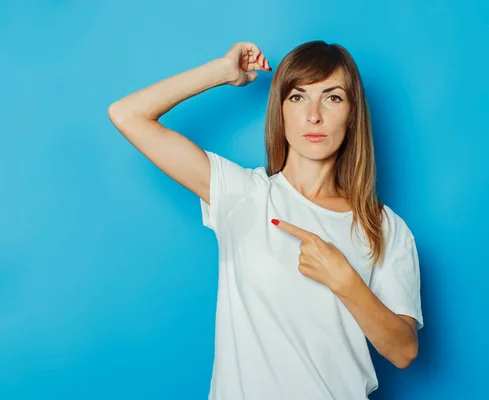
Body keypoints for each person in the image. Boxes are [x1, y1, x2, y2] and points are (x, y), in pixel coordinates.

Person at [108, 40, 424, 400]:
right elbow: (127, 114)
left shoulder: (384, 227)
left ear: (352, 113)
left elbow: (403, 351)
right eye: (298, 97)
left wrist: (346, 281)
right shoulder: (243, 194)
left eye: (332, 97)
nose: (314, 115)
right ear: (281, 110)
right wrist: (222, 72)